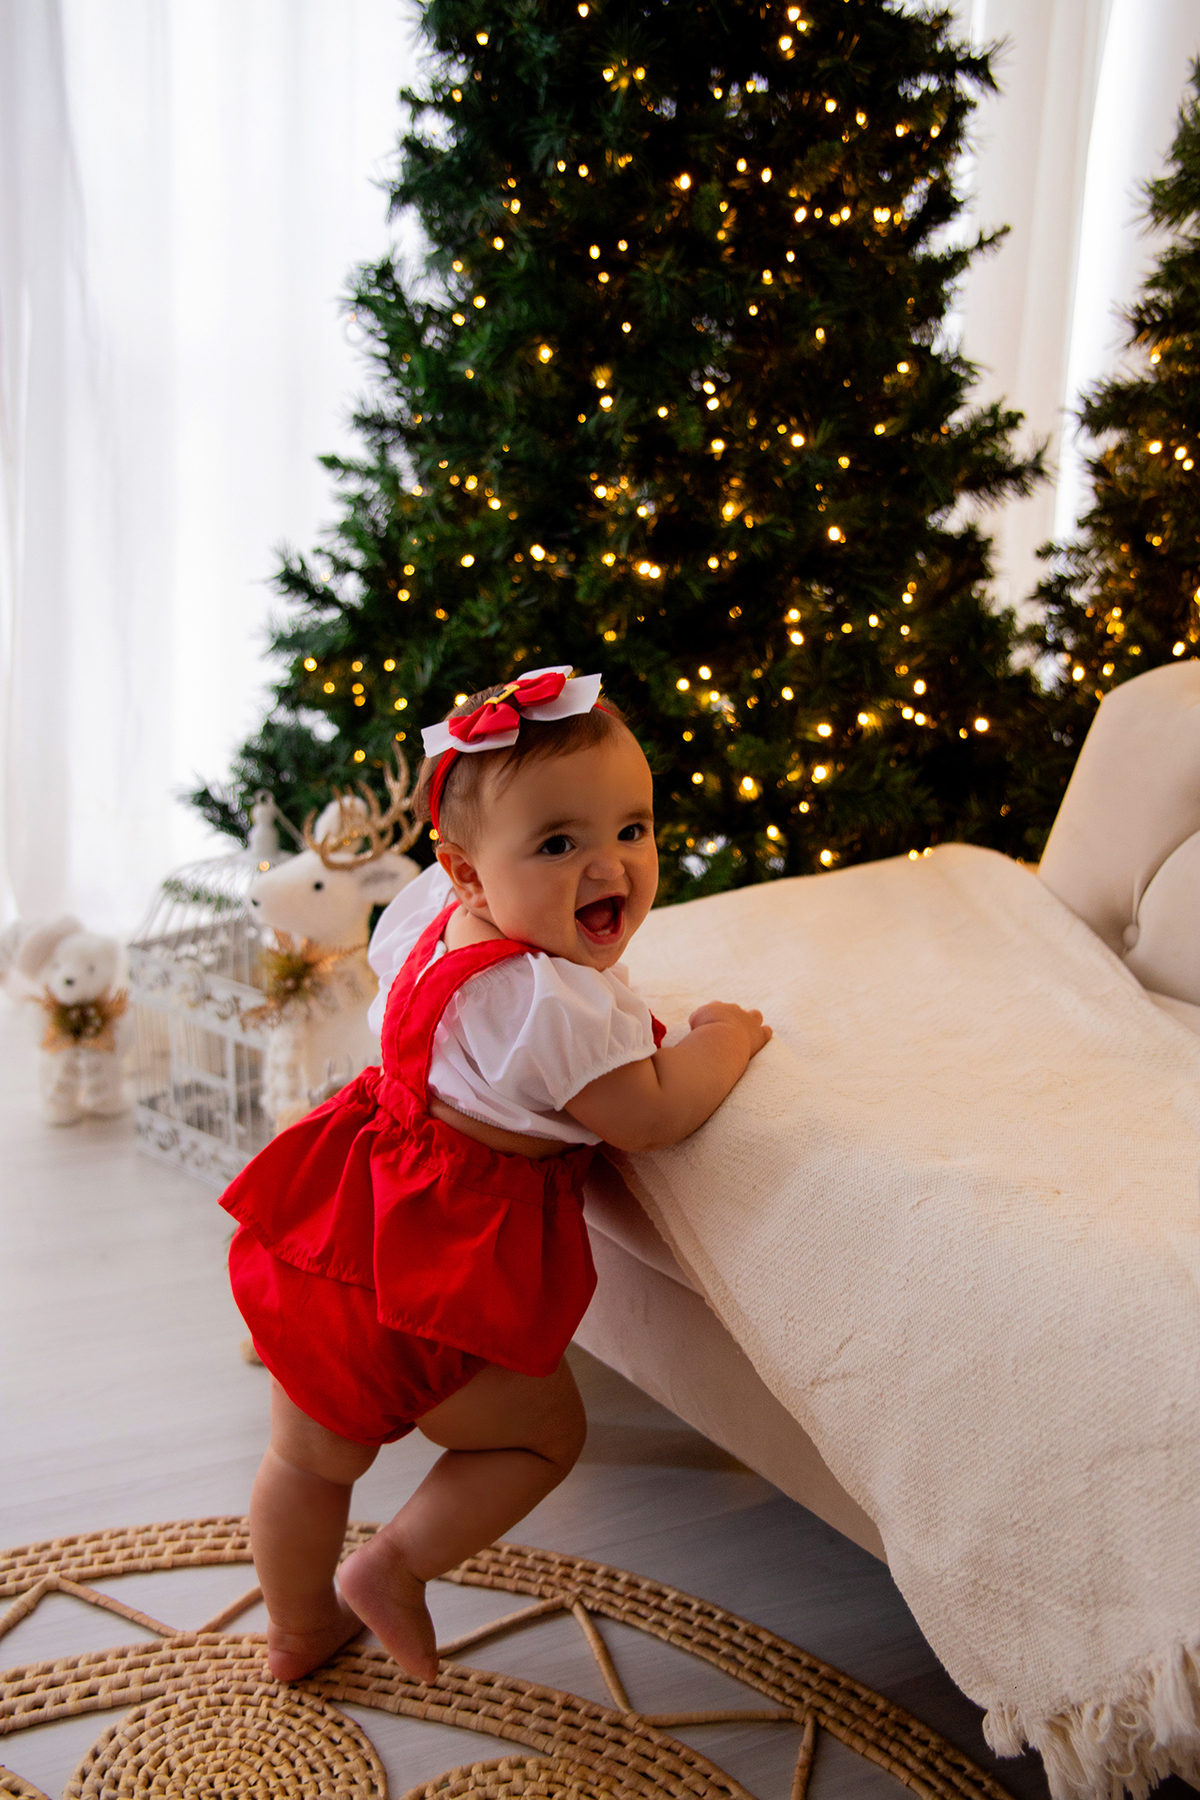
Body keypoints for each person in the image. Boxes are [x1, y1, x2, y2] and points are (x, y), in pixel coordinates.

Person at [221, 666, 772, 1687]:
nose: (609, 867)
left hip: (345, 1213)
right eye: (560, 844)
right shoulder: (551, 1006)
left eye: (633, 830)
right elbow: (649, 1112)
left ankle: (297, 1629)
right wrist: (724, 1040)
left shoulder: (429, 917)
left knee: (305, 1462)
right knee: (541, 1438)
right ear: (471, 874)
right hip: (447, 1273)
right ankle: (395, 1563)